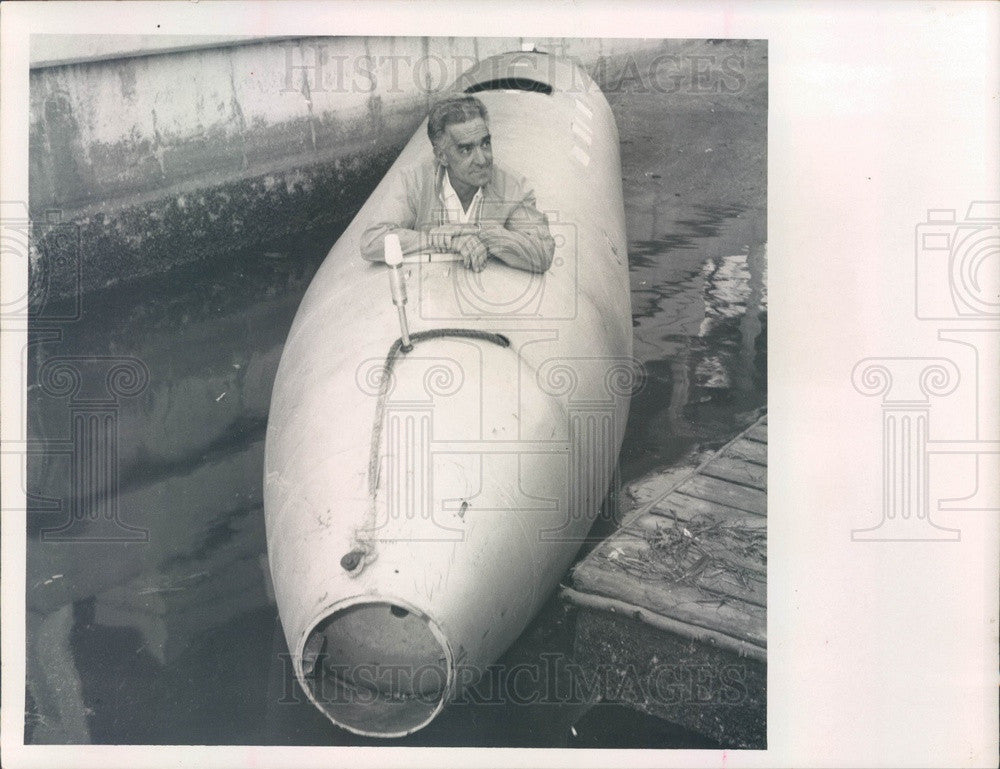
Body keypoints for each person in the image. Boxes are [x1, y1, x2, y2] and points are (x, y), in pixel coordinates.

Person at [360, 95, 555, 273]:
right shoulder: (414, 180)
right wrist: (440, 241)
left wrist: (479, 232)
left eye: (485, 144)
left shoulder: (514, 187)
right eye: (466, 150)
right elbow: (372, 241)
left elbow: (542, 253)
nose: (482, 159)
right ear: (442, 156)